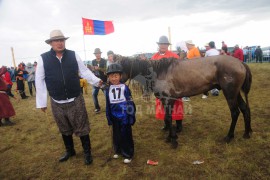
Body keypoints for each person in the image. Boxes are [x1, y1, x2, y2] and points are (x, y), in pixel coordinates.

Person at [35, 29, 103, 165]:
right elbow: (39, 79)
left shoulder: (73, 55)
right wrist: (42, 102)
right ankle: (70, 150)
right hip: (56, 100)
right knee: (64, 127)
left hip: (75, 98)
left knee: (82, 126)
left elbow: (84, 71)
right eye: (56, 41)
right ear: (51, 43)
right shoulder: (43, 58)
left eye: (62, 40)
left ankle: (87, 152)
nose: (60, 43)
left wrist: (97, 81)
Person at [151, 35, 184, 133]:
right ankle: (167, 124)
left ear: (167, 45)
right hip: (161, 87)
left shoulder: (174, 56)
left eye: (165, 44)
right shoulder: (154, 57)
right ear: (159, 45)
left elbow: (180, 70)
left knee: (177, 104)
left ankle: (179, 125)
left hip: (173, 86)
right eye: (161, 44)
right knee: (163, 106)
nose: (163, 46)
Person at [105, 63, 136, 164]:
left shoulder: (125, 88)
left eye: (116, 76)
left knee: (125, 135)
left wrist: (131, 116)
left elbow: (130, 102)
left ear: (120, 76)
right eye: (111, 76)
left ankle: (128, 153)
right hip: (114, 116)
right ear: (108, 77)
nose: (114, 78)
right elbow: (108, 104)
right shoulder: (108, 89)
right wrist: (109, 117)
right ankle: (118, 150)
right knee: (116, 134)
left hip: (124, 116)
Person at [91, 48, 107, 113]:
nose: (98, 55)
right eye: (96, 54)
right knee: (94, 94)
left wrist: (99, 68)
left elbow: (106, 70)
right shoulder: (93, 61)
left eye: (99, 53)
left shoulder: (104, 61)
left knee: (107, 95)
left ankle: (108, 107)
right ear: (95, 55)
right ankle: (97, 108)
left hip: (103, 81)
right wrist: (93, 69)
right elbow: (92, 70)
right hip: (96, 81)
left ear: (100, 54)